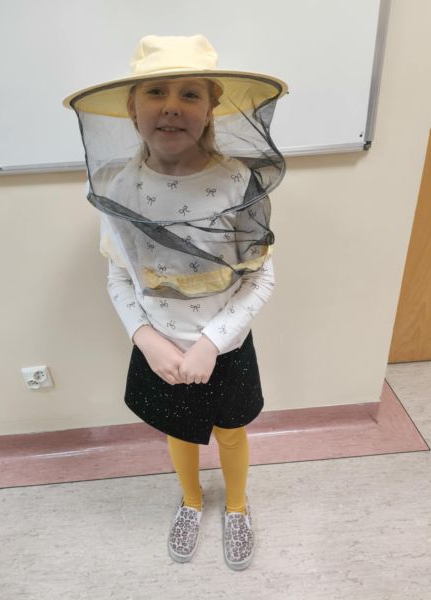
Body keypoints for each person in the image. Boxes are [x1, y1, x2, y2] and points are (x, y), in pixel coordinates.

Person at [63, 34, 287, 571]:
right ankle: (190, 501)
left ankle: (237, 506)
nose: (170, 106)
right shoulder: (118, 186)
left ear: (211, 106)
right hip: (160, 348)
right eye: (156, 92)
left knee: (230, 431)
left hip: (224, 346)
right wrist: (147, 340)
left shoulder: (238, 182)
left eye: (189, 94)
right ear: (131, 107)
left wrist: (212, 344)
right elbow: (120, 276)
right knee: (179, 432)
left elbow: (260, 278)